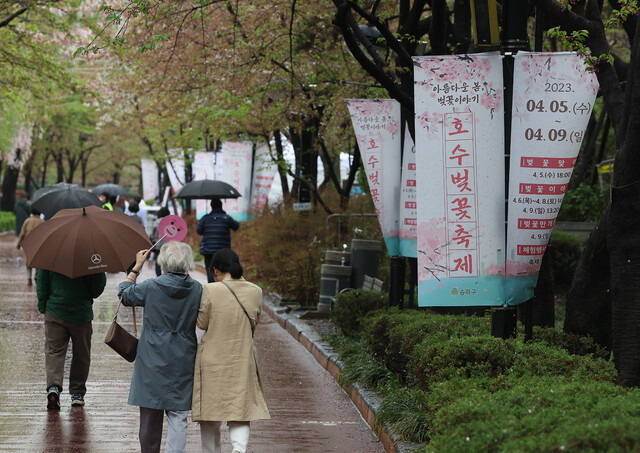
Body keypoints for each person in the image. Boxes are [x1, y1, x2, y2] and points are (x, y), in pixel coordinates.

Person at [118, 242, 203, 453]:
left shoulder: (151, 286)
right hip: (183, 355)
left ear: (163, 261)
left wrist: (136, 267)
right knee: (178, 414)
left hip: (151, 355)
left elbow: (124, 295)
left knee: (149, 413)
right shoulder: (197, 290)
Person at [192, 248, 270, 453]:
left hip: (213, 360)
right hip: (243, 357)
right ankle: (238, 449)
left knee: (210, 413)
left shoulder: (211, 290)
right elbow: (255, 320)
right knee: (240, 411)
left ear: (216, 270)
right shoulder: (256, 291)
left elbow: (201, 323)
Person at [37, 269, 107, 410]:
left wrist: (43, 306)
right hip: (81, 313)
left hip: (55, 310)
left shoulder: (51, 254)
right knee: (81, 354)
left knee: (54, 352)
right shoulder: (91, 257)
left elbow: (42, 283)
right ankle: (77, 394)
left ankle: (54, 387)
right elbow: (97, 289)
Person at [197, 197, 239, 282]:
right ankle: (222, 289)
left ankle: (212, 289)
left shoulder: (205, 218)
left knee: (210, 271)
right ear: (221, 206)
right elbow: (236, 226)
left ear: (211, 206)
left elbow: (199, 231)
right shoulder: (226, 218)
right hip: (223, 252)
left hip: (208, 251)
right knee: (223, 271)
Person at [16, 207, 45, 285]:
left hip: (28, 245)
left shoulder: (27, 221)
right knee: (38, 261)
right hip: (39, 244)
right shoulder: (42, 221)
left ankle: (29, 279)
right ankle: (37, 274)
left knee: (28, 262)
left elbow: (22, 234)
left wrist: (18, 245)